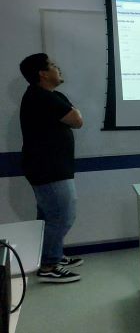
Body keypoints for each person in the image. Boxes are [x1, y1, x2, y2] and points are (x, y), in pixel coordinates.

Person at [19, 53, 84, 283]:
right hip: (49, 170)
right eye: (54, 65)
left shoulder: (48, 95)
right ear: (43, 73)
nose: (59, 68)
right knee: (63, 215)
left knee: (49, 216)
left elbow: (73, 117)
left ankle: (52, 255)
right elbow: (77, 119)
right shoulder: (42, 97)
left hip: (48, 169)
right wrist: (72, 109)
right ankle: (49, 265)